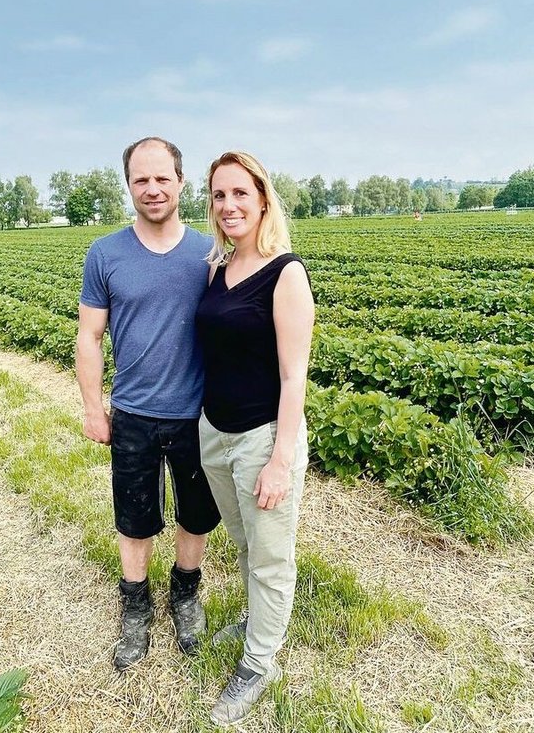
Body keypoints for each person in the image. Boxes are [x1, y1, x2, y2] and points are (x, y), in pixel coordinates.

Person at [77, 136, 221, 670]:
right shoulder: (105, 253)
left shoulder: (209, 253)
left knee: (196, 513)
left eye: (163, 178)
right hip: (133, 412)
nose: (153, 189)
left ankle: (185, 593)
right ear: (129, 185)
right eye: (142, 179)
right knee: (134, 517)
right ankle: (135, 606)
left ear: (181, 182)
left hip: (196, 413)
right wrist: (95, 407)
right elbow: (89, 336)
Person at [194, 151, 315, 725]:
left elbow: (295, 377)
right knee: (244, 544)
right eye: (219, 195)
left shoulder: (285, 272)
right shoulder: (218, 267)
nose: (229, 205)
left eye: (240, 193)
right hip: (214, 433)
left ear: (263, 198)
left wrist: (280, 460)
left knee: (271, 558)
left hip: (263, 437)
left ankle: (259, 663)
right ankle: (255, 623)